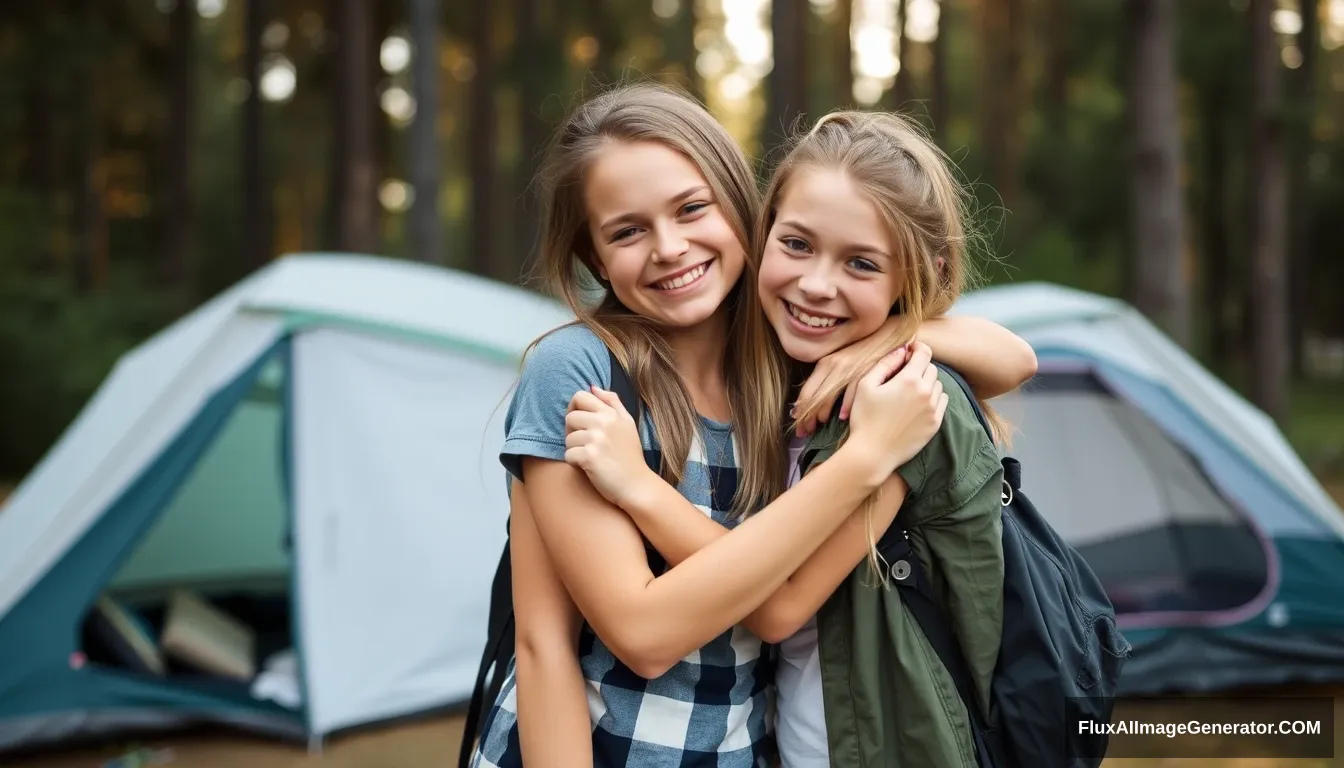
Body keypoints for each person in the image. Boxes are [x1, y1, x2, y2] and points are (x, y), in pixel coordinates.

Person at [469, 83, 1031, 768]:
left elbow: (1012, 358)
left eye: (692, 208)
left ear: (742, 209)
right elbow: (569, 642)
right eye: (627, 230)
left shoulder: (789, 367)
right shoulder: (580, 372)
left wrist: (876, 345)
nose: (670, 248)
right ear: (593, 259)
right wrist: (865, 453)